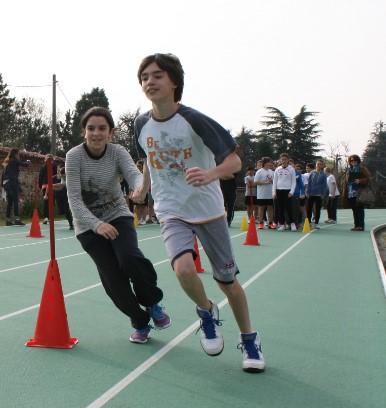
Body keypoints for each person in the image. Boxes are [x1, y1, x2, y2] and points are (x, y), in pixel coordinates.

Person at [133, 53, 265, 372]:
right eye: (144, 77)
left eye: (157, 75)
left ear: (174, 81)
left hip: (208, 210)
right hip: (171, 210)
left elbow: (234, 162)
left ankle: (250, 340)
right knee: (183, 270)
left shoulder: (194, 119)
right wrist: (142, 187)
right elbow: (149, 159)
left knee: (227, 281)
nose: (150, 81)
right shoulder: (140, 124)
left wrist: (210, 174)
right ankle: (206, 312)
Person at [65, 106, 171, 344]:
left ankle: (152, 302)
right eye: (91, 128)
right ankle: (140, 322)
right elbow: (74, 200)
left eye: (102, 128)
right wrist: (96, 225)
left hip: (117, 214)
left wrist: (137, 188)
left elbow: (133, 174)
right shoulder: (73, 156)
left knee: (129, 258)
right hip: (88, 226)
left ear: (110, 133)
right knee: (114, 281)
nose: (96, 133)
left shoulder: (117, 152)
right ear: (84, 132)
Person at [342, 154, 371, 231]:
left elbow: (368, 178)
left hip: (359, 191)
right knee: (354, 209)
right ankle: (356, 225)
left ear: (358, 161)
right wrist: (345, 192)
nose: (353, 162)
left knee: (360, 209)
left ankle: (361, 226)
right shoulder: (349, 170)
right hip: (351, 192)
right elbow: (346, 182)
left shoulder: (362, 168)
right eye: (351, 160)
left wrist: (360, 181)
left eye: (355, 160)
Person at [1, 148, 30, 226]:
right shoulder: (15, 160)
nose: (18, 155)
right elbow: (24, 164)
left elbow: (3, 174)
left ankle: (8, 220)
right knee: (16, 201)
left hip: (6, 183)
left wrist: (2, 185)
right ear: (15, 154)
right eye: (18, 154)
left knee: (10, 202)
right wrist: (28, 161)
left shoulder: (6, 162)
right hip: (12, 182)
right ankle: (17, 219)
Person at [272, 153, 297, 231]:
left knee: (289, 208)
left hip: (288, 192)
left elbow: (294, 182)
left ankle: (292, 224)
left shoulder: (291, 169)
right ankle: (282, 224)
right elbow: (274, 182)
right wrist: (274, 192)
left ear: (288, 160)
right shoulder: (277, 169)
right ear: (280, 160)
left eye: (285, 159)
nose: (283, 161)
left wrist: (291, 192)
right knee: (280, 209)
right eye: (282, 159)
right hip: (279, 191)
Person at [254, 157, 275, 230]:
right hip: (261, 194)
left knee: (270, 208)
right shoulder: (259, 171)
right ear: (265, 163)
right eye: (269, 162)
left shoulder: (272, 172)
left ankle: (270, 223)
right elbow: (255, 182)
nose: (271, 163)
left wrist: (271, 181)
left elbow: (274, 182)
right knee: (261, 208)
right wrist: (265, 182)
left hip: (270, 194)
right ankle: (261, 223)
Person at [305, 159, 328, 228]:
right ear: (316, 164)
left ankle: (316, 223)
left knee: (317, 210)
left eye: (320, 164)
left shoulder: (324, 174)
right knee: (308, 209)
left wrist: (323, 194)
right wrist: (307, 192)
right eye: (317, 164)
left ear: (322, 166)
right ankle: (308, 223)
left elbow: (324, 185)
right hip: (311, 194)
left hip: (319, 194)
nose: (318, 165)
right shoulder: (312, 173)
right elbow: (309, 183)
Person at [38, 154, 58, 224]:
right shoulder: (46, 167)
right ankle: (47, 217)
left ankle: (48, 217)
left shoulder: (50, 166)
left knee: (49, 202)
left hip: (51, 186)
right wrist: (40, 186)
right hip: (47, 186)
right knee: (49, 202)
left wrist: (40, 186)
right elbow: (40, 177)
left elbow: (40, 177)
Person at [53, 165, 74, 230]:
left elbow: (61, 186)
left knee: (67, 209)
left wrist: (53, 186)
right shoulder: (62, 176)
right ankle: (71, 223)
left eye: (63, 175)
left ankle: (72, 223)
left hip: (71, 192)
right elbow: (59, 178)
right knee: (65, 210)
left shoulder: (69, 178)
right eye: (62, 175)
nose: (62, 176)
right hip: (65, 192)